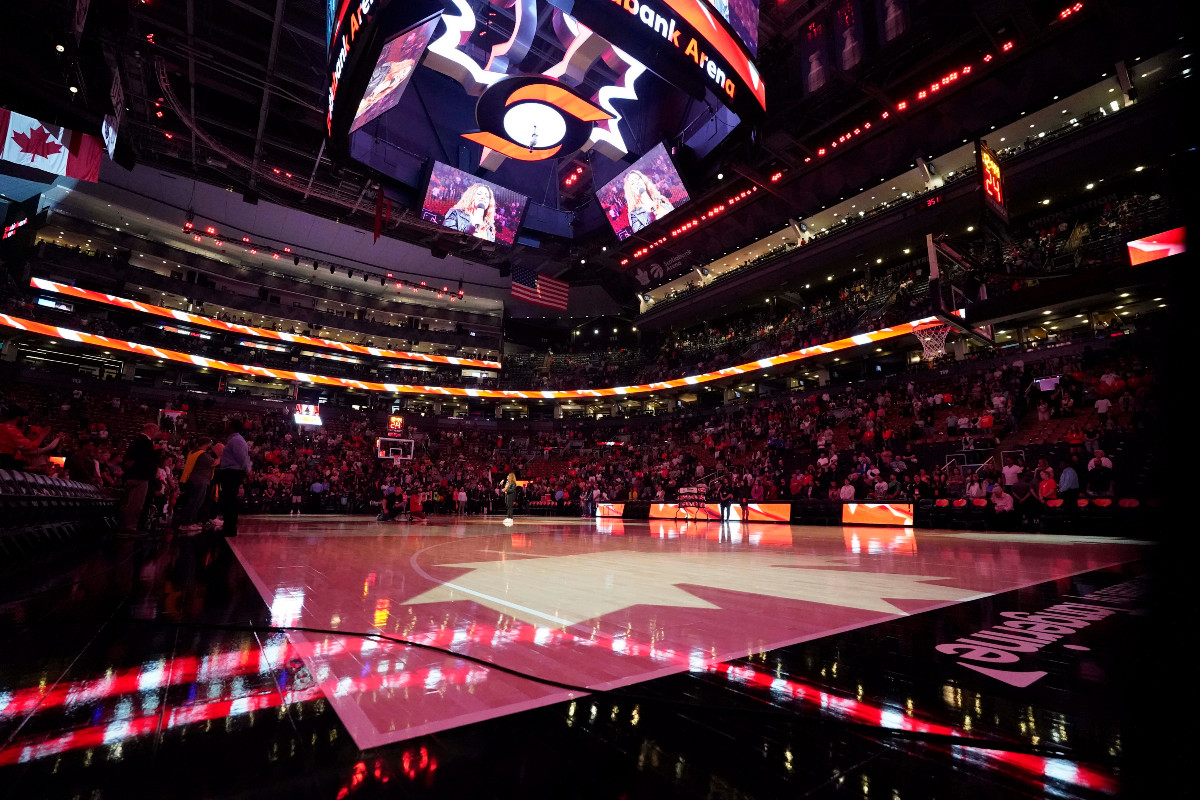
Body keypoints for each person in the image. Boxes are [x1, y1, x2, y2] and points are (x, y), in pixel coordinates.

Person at [119, 423, 160, 533]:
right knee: (135, 504)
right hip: (140, 477)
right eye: (157, 431)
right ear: (151, 430)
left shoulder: (137, 440)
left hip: (133, 475)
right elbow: (147, 460)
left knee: (129, 503)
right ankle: (129, 527)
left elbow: (128, 461)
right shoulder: (145, 442)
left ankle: (126, 525)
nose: (158, 433)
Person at [217, 418, 252, 537]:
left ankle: (230, 527)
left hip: (232, 472)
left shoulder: (236, 440)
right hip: (232, 472)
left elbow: (242, 457)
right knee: (229, 499)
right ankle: (229, 525)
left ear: (232, 427)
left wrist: (248, 471)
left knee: (230, 500)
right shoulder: (236, 440)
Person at [174, 438, 216, 532]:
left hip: (192, 479)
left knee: (193, 501)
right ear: (207, 444)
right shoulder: (202, 454)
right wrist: (225, 456)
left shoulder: (192, 452)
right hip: (199, 481)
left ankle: (189, 522)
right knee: (195, 502)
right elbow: (214, 463)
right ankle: (187, 523)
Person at [0, 405, 49, 470]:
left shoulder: (2, 426)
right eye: (26, 418)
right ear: (18, 418)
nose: (26, 421)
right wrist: (42, 435)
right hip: (4, 461)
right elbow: (29, 447)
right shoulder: (12, 430)